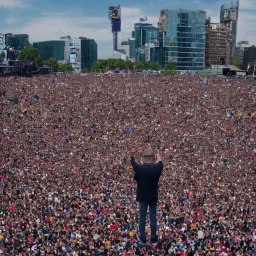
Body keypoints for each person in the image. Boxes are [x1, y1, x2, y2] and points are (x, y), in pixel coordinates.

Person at [129, 146, 163, 246]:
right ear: (153, 158)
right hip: (152, 196)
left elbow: (133, 162)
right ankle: (153, 238)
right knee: (153, 216)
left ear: (144, 158)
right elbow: (160, 163)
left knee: (142, 216)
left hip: (142, 197)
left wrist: (132, 155)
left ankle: (143, 237)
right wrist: (158, 157)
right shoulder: (157, 168)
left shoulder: (139, 168)